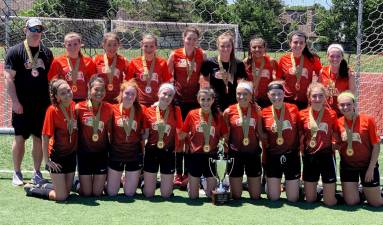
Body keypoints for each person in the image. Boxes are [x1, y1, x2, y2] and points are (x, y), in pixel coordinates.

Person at [4, 18, 53, 186]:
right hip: (22, 104)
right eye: (33, 29)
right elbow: (9, 78)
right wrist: (15, 102)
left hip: (42, 105)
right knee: (20, 138)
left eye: (39, 29)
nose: (36, 32)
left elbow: (51, 79)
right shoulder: (15, 51)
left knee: (39, 139)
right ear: (26, 30)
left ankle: (37, 172)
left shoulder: (46, 52)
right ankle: (16, 172)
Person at [24, 79, 77, 201]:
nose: (67, 94)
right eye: (63, 93)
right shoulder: (52, 110)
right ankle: (33, 190)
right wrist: (47, 160)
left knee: (68, 192)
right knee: (62, 197)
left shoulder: (74, 106)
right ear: (56, 96)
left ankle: (44, 184)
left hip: (71, 155)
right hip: (57, 156)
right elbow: (45, 136)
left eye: (68, 91)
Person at [167, 26, 207, 187]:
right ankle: (178, 174)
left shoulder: (201, 54)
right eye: (188, 38)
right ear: (183, 38)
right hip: (178, 100)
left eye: (194, 39)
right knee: (179, 138)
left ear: (197, 41)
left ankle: (190, 173)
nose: (191, 41)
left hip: (195, 101)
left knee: (191, 137)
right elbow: (169, 77)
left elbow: (204, 76)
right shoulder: (174, 54)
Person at [180, 88, 228, 199]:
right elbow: (182, 134)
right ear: (198, 100)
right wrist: (189, 139)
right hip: (195, 155)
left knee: (211, 196)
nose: (205, 102)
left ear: (212, 100)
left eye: (208, 99)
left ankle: (205, 182)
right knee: (193, 196)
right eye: (203, 99)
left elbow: (225, 135)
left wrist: (222, 144)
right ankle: (192, 185)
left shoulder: (218, 116)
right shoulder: (192, 114)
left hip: (211, 155)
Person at [337, 91, 383, 207]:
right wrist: (341, 142)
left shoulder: (368, 120)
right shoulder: (337, 123)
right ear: (338, 106)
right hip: (348, 166)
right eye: (342, 105)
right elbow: (335, 146)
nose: (345, 107)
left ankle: (373, 192)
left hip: (367, 165)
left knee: (376, 203)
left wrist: (371, 168)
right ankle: (362, 192)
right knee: (351, 202)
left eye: (348, 104)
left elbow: (376, 145)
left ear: (354, 105)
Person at [298, 83, 338, 206]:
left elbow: (336, 133)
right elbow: (299, 134)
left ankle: (328, 193)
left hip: (326, 156)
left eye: (320, 96)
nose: (317, 99)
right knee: (310, 200)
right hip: (309, 157)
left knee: (330, 202)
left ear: (325, 97)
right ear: (309, 97)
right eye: (314, 96)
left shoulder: (332, 114)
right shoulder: (302, 114)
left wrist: (334, 143)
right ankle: (318, 190)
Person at [223, 80, 263, 199]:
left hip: (253, 153)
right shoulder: (228, 111)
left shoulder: (257, 110)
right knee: (236, 196)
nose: (241, 97)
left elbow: (260, 132)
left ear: (251, 95)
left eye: (245, 94)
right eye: (238, 94)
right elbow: (225, 135)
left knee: (256, 196)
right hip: (235, 153)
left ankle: (248, 183)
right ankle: (235, 184)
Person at [261, 81, 300, 202]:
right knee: (273, 197)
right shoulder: (264, 112)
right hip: (273, 156)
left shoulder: (293, 109)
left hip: (291, 155)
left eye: (279, 94)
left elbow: (300, 130)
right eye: (273, 94)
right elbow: (262, 135)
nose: (276, 97)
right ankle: (268, 183)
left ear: (284, 94)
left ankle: (299, 187)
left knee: (293, 198)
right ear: (268, 95)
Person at [142, 83, 182, 198]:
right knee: (149, 194)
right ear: (158, 94)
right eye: (164, 94)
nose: (167, 97)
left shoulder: (176, 110)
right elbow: (145, 134)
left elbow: (180, 131)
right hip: (151, 150)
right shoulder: (148, 111)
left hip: (168, 151)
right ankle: (145, 182)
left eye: (170, 95)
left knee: (166, 195)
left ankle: (164, 184)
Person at [76, 76, 113, 196]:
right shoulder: (79, 108)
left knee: (97, 193)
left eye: (102, 90)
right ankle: (73, 183)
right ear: (89, 89)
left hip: (101, 153)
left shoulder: (109, 109)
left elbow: (111, 131)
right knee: (86, 193)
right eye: (96, 89)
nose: (99, 93)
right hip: (84, 153)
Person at [107, 79, 146, 196]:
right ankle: (114, 179)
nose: (129, 96)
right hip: (116, 153)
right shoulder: (112, 109)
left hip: (133, 154)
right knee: (112, 193)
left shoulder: (141, 110)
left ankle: (127, 179)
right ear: (121, 94)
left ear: (136, 96)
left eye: (133, 94)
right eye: (127, 93)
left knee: (129, 193)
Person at [200, 32, 246, 112]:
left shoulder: (239, 64)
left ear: (232, 47)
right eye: (222, 46)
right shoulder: (209, 62)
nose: (226, 49)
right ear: (217, 46)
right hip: (215, 101)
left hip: (233, 101)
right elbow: (204, 80)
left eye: (228, 46)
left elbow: (242, 82)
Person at [276, 31, 322, 110]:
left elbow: (321, 73)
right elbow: (278, 77)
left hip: (305, 99)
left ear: (305, 44)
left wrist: (315, 87)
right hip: (287, 99)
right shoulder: (283, 59)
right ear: (290, 43)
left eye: (301, 43)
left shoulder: (312, 59)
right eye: (295, 42)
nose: (298, 45)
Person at [48, 32, 96, 101]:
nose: (72, 47)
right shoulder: (57, 61)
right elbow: (52, 81)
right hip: (65, 100)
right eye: (69, 45)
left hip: (83, 99)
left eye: (75, 44)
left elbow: (93, 81)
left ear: (80, 45)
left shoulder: (88, 61)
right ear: (65, 45)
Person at [126, 34, 172, 107]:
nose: (148, 49)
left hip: (156, 102)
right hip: (138, 102)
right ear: (141, 46)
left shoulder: (162, 63)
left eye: (152, 46)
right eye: (146, 46)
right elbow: (128, 83)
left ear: (156, 47)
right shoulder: (134, 62)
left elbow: (166, 84)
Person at [319, 44, 355, 116]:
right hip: (327, 111)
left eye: (338, 56)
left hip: (344, 110)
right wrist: (326, 93)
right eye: (332, 56)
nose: (335, 59)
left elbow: (352, 94)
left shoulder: (349, 73)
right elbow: (319, 92)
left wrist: (340, 95)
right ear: (327, 57)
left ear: (342, 57)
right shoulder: (322, 71)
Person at [93, 32, 129, 103]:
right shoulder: (96, 59)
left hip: (116, 98)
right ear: (103, 45)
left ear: (119, 45)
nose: (112, 48)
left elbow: (129, 78)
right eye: (109, 45)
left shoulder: (123, 60)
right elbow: (90, 79)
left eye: (115, 45)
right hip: (99, 97)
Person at [243, 37, 278, 108]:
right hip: (250, 99)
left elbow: (277, 79)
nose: (257, 49)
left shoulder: (271, 62)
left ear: (264, 48)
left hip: (267, 99)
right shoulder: (246, 62)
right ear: (250, 48)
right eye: (254, 47)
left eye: (260, 47)